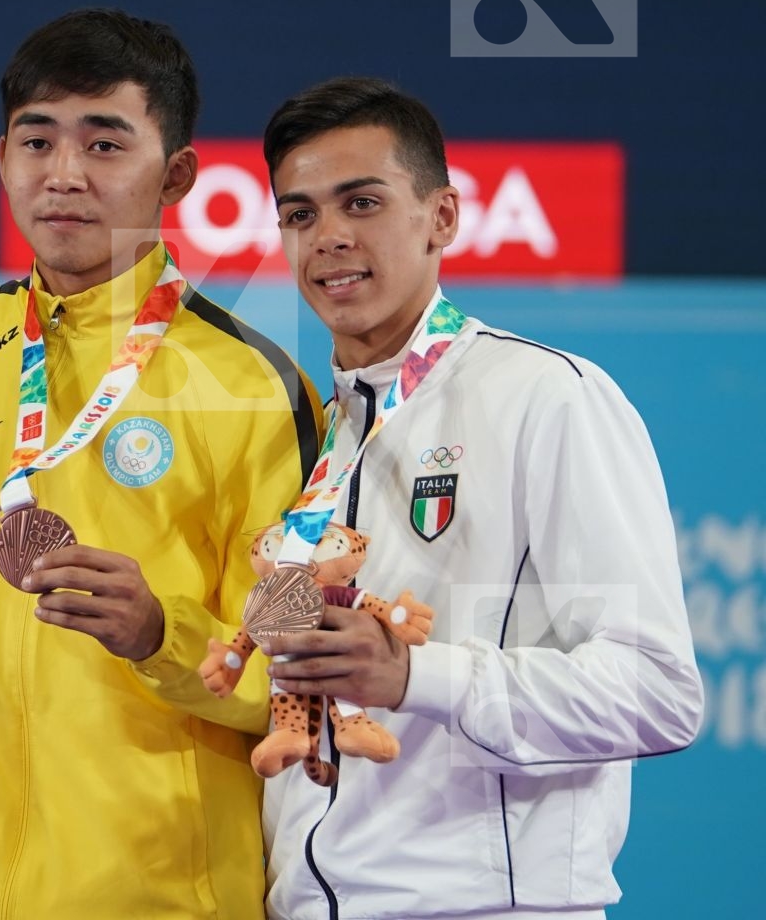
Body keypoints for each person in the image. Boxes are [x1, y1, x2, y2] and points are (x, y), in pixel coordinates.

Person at [255, 76, 703, 920]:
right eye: (300, 214)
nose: (329, 239)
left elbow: (657, 690)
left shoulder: (546, 395)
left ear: (444, 219)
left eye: (362, 202)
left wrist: (418, 675)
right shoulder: (322, 434)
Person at [0, 8, 321, 919]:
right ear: (3, 158)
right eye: (38, 140)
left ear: (175, 175)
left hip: (159, 890)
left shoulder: (252, 383)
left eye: (105, 144)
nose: (64, 174)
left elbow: (301, 683)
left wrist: (160, 636)